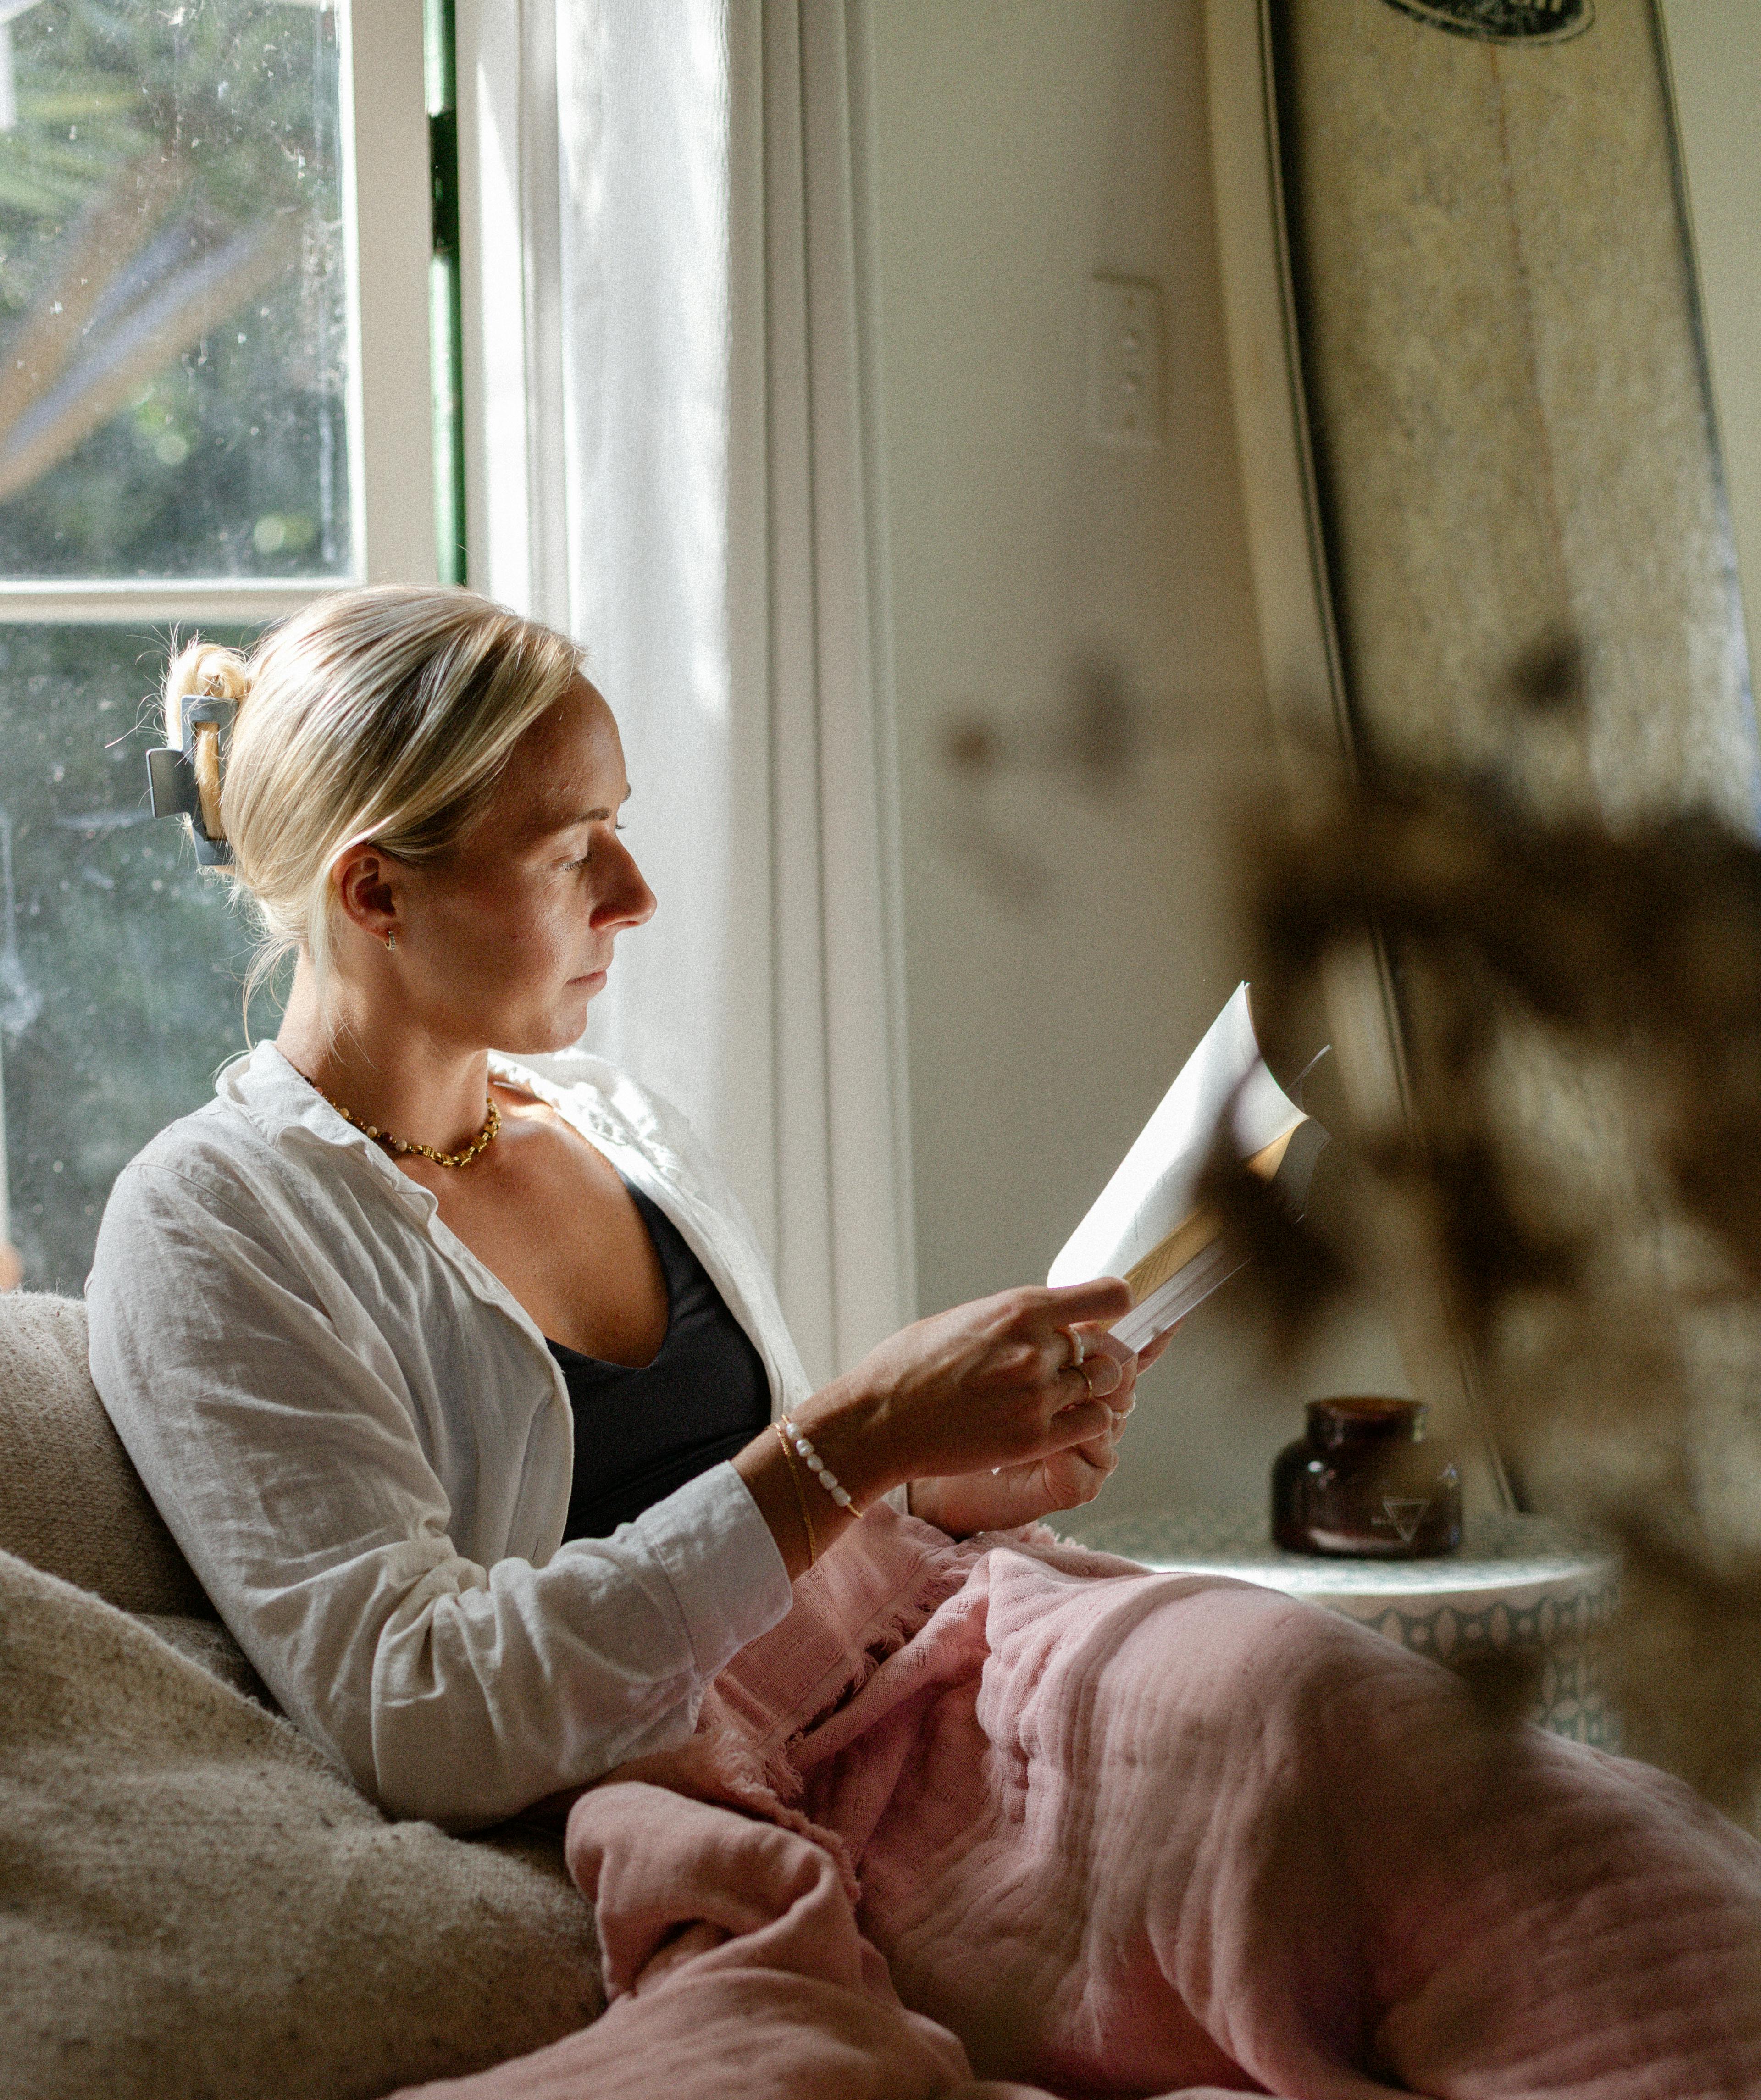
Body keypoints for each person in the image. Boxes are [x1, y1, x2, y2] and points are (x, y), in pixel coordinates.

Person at [89, 587, 1161, 1830]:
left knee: (1305, 1696)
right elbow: (419, 1710)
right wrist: (858, 1437)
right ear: (376, 896)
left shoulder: (614, 1121)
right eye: (570, 849)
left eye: (622, 827)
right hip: (748, 1785)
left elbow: (743, 1531)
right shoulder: (212, 1224)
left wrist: (925, 1484)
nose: (635, 893)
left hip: (900, 1667)